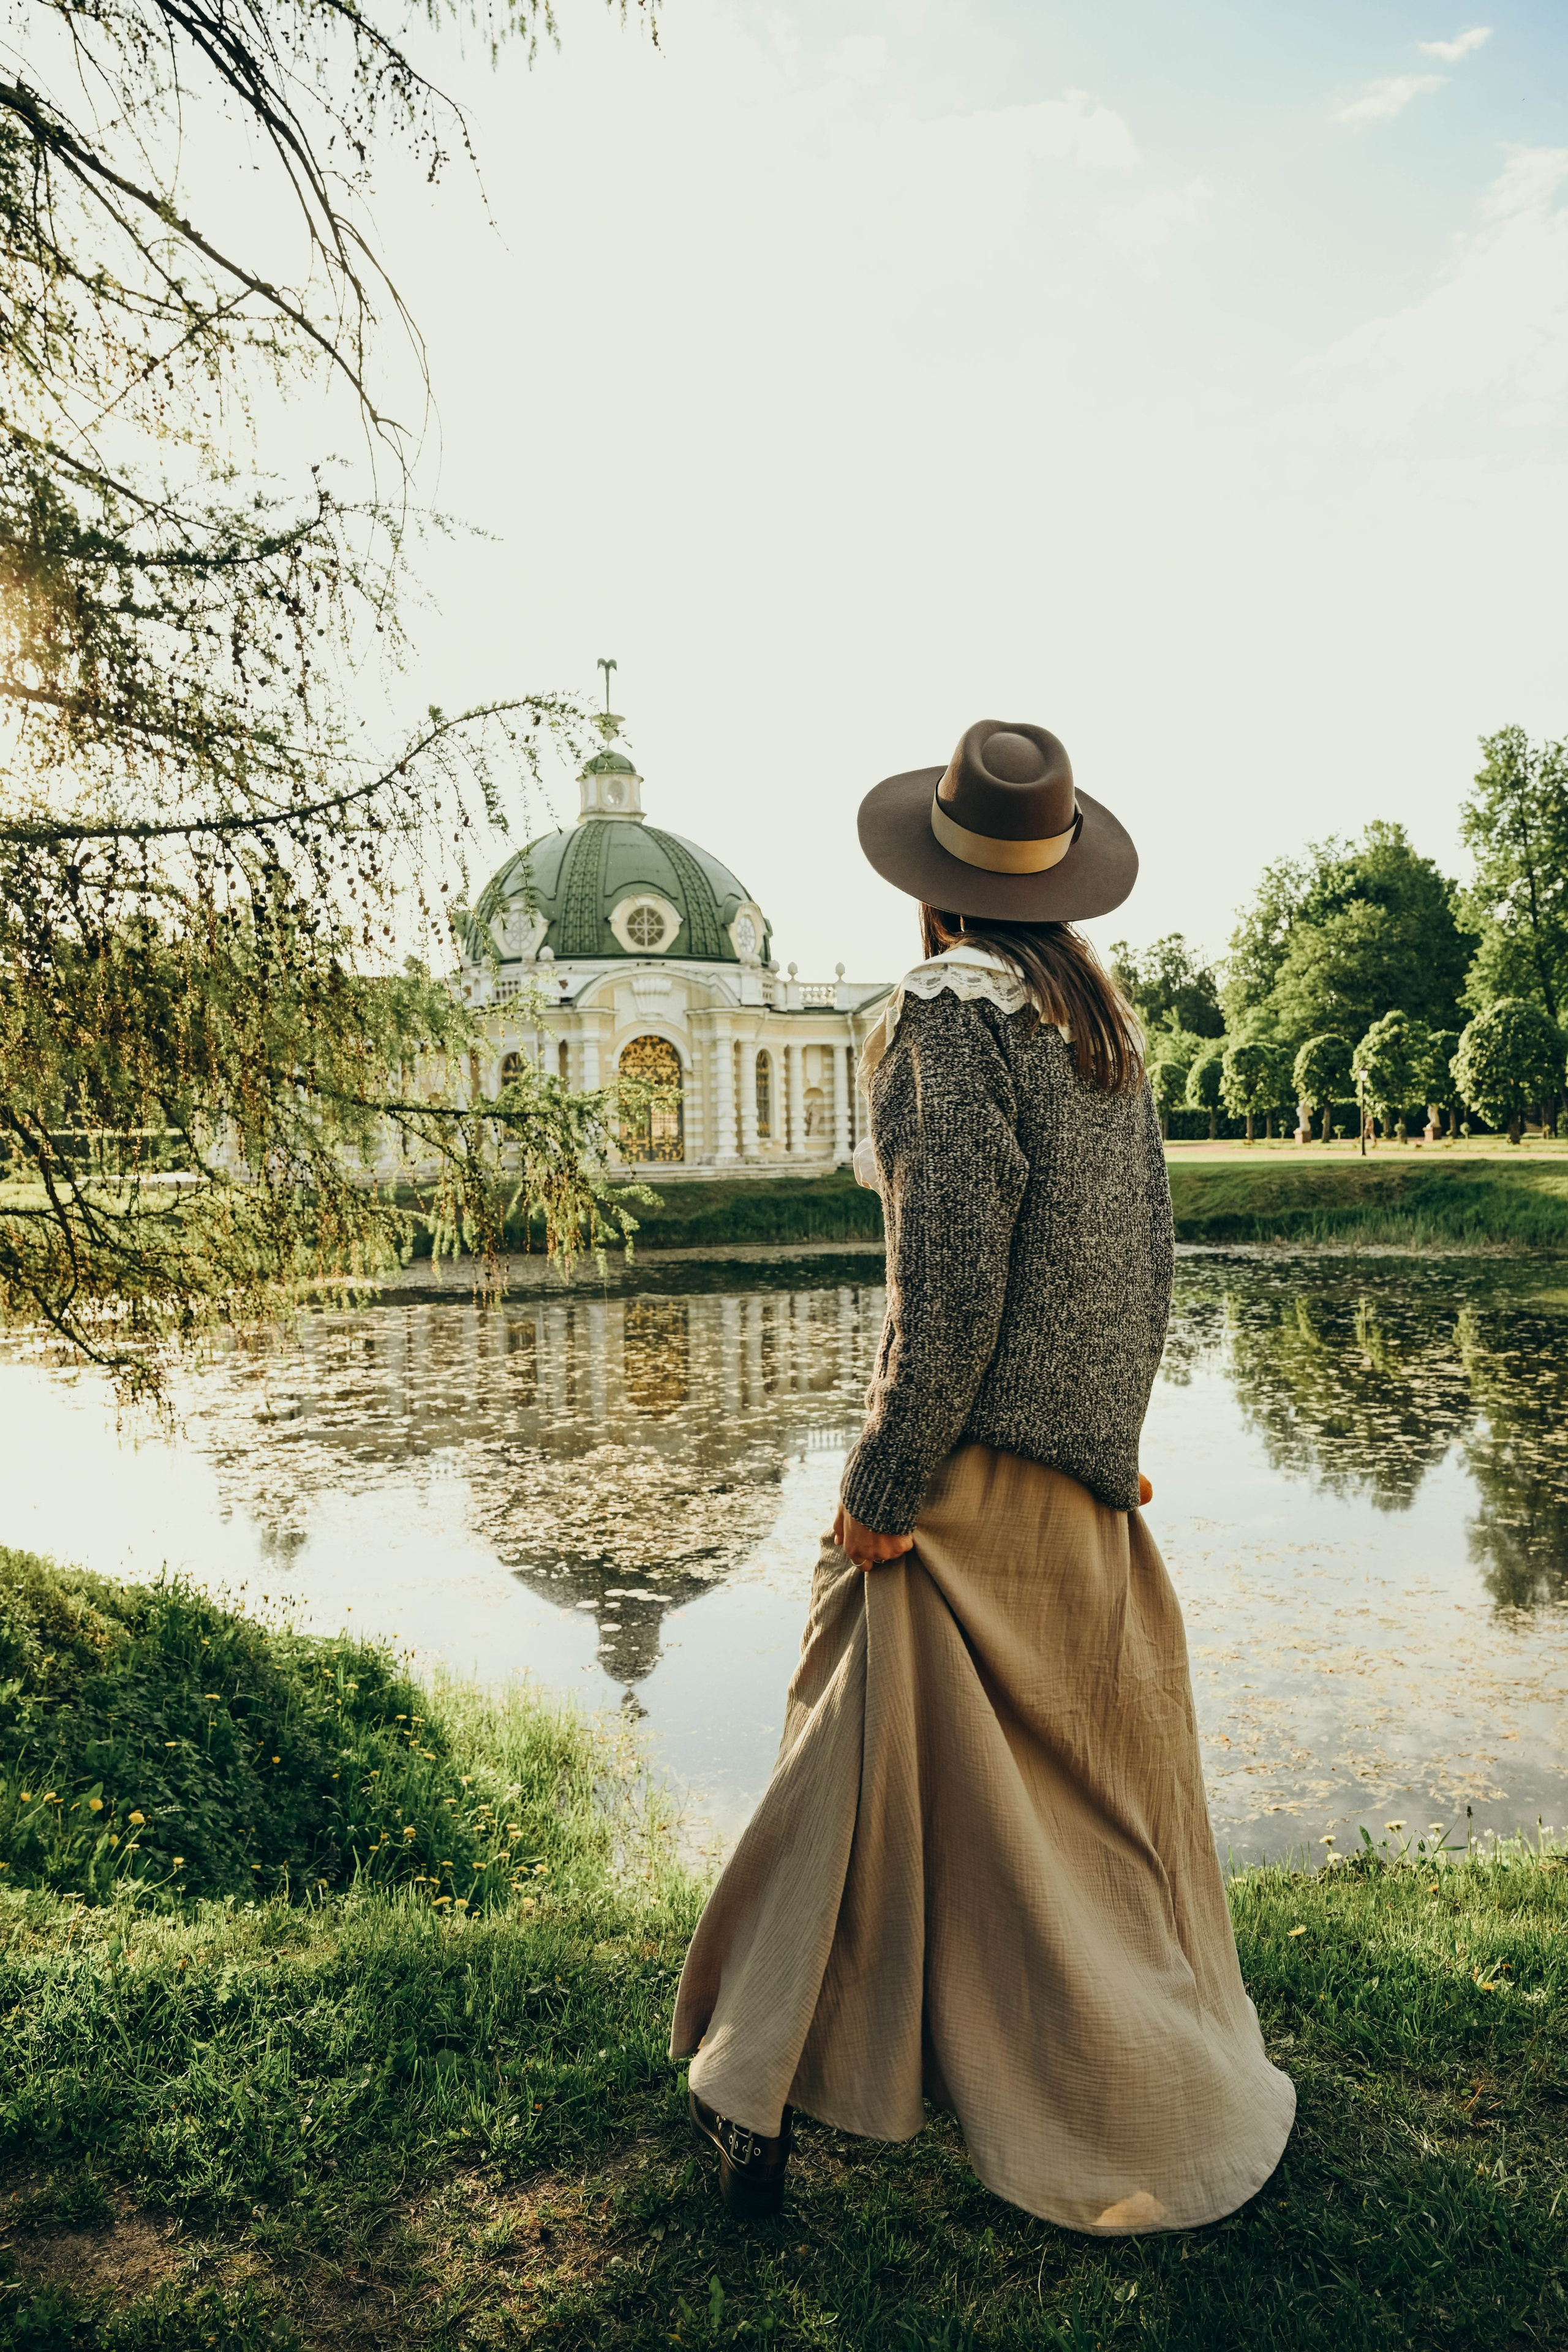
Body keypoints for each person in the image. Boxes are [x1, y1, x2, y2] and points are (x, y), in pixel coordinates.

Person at [670, 720, 1295, 2233]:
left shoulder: (945, 1021)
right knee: (1074, 1817)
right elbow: (1143, 1262)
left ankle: (754, 2096)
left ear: (933, 892)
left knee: (839, 1749)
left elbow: (942, 1286)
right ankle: (870, 2071)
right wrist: (1108, 1450)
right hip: (1081, 1484)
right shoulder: (1095, 1027)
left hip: (965, 1483)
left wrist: (884, 1486)